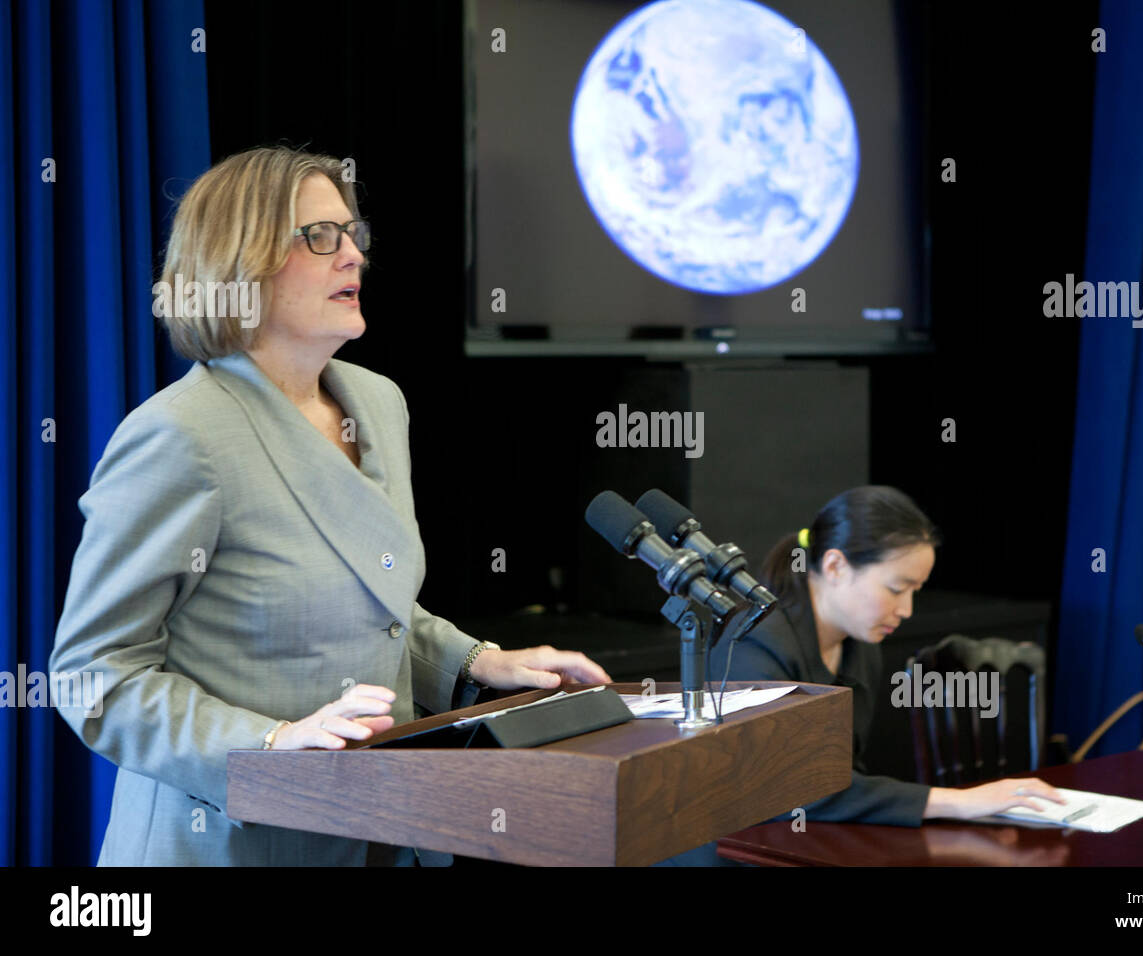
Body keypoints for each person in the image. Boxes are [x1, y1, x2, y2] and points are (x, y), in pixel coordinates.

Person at [48, 146, 610, 866]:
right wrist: (273, 745)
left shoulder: (377, 402)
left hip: (377, 829)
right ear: (237, 261)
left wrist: (480, 662)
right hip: (231, 844)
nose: (353, 256)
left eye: (353, 234)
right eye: (320, 237)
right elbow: (95, 676)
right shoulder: (180, 436)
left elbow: (368, 610)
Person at [659, 485, 1063, 865]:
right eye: (896, 588)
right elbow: (792, 787)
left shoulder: (860, 643)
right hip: (728, 853)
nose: (906, 610)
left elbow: (843, 775)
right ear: (835, 565)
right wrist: (959, 801)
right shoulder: (754, 643)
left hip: (801, 843)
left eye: (915, 591)